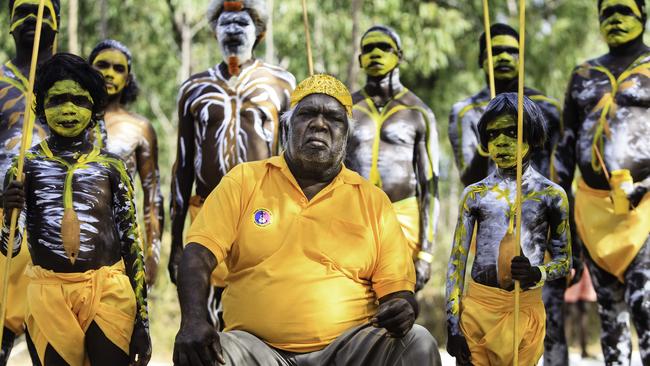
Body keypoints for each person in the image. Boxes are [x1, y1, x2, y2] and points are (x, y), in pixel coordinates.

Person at [173, 74, 441, 366]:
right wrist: (194, 320)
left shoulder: (373, 201)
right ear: (287, 125)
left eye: (334, 118)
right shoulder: (244, 180)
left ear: (347, 136)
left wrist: (402, 309)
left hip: (348, 349)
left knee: (417, 341)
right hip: (256, 350)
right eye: (308, 113)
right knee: (202, 352)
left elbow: (398, 294)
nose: (319, 124)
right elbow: (198, 254)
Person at [1, 53, 150, 366]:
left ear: (95, 108)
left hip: (109, 293)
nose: (68, 110)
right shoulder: (23, 168)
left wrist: (142, 322)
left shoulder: (112, 167)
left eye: (78, 100)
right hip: (48, 296)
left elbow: (131, 244)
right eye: (58, 100)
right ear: (40, 107)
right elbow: (11, 248)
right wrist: (7, 211)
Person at [448, 23, 581, 365]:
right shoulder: (474, 193)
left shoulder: (552, 194)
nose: (503, 143)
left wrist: (539, 273)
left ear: (534, 136)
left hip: (526, 307)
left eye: (513, 132)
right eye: (495, 135)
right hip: (478, 307)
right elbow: (456, 263)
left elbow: (563, 258)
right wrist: (452, 321)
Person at [168, 0, 295, 323]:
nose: (234, 30)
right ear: (214, 32)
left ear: (260, 33)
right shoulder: (193, 89)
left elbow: (293, 158)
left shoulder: (282, 84)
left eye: (243, 23)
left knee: (261, 305)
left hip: (264, 210)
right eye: (226, 23)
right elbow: (183, 165)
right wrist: (175, 243)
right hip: (207, 208)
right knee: (206, 310)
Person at [559, 0, 650, 363]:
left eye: (623, 10)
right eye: (606, 12)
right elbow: (565, 147)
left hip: (644, 208)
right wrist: (560, 213)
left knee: (646, 307)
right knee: (610, 316)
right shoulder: (583, 75)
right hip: (592, 210)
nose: (613, 18)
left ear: (643, 15)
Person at [345, 25, 439, 292]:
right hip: (353, 216)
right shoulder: (346, 109)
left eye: (383, 47)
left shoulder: (418, 112)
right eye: (368, 48)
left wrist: (426, 254)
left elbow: (430, 186)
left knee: (399, 301)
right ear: (360, 59)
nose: (375, 53)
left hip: (403, 217)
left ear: (399, 54)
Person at [0, 0, 59, 362]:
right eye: (22, 10)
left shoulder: (70, 81)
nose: (31, 21)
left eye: (40, 11)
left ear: (58, 20)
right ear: (9, 21)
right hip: (5, 222)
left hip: (58, 220)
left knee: (51, 331)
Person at [89, 39, 164, 287]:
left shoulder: (139, 128)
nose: (109, 73)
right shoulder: (65, 118)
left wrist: (152, 254)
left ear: (128, 79)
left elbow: (153, 195)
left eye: (118, 68)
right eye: (102, 65)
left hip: (122, 242)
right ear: (89, 70)